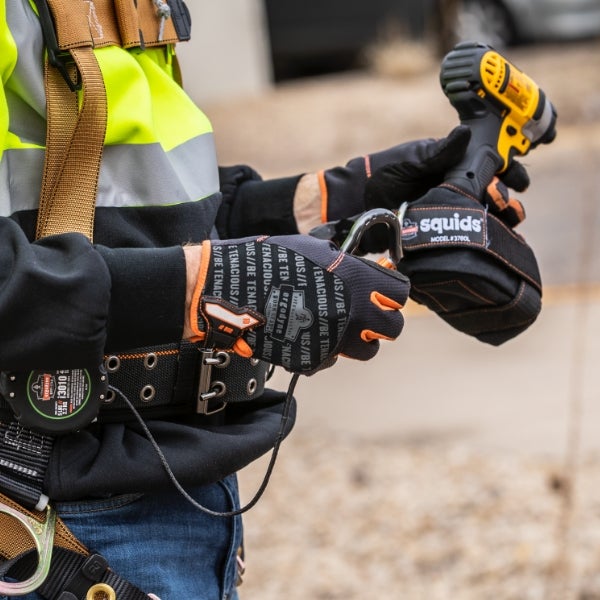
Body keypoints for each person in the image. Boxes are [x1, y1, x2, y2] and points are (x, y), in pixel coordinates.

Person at [0, 2, 536, 599]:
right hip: (44, 505)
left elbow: (144, 208)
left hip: (179, 482)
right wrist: (206, 285)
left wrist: (331, 197)